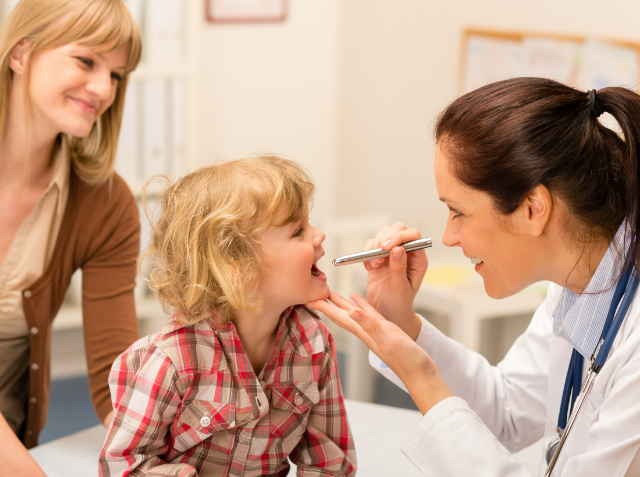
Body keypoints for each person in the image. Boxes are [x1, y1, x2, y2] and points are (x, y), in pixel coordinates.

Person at [310, 78, 640, 476]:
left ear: (533, 209)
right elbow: (508, 413)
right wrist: (403, 326)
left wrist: (422, 377)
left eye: (458, 211)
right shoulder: (577, 285)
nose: (448, 237)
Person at [99, 156, 356, 477]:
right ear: (238, 269)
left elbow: (329, 463)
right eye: (298, 231)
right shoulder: (172, 361)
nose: (319, 236)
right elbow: (122, 465)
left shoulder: (314, 341)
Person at [0, 0, 142, 472]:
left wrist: (170, 447)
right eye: (86, 60)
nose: (104, 88)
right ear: (20, 54)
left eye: (117, 75)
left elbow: (114, 378)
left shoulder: (106, 204)